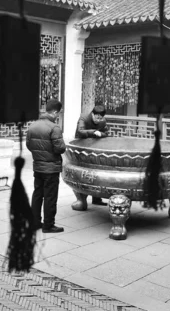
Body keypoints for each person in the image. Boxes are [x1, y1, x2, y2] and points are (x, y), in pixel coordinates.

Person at [26, 99, 67, 233]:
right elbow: (60, 148)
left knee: (38, 193)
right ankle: (48, 225)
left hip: (38, 166)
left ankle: (35, 222)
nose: (58, 116)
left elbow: (29, 145)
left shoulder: (33, 126)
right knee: (50, 196)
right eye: (58, 113)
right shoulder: (54, 128)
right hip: (51, 168)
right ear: (55, 112)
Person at [75, 104, 110, 206]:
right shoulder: (84, 117)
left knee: (97, 172)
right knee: (82, 173)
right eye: (96, 117)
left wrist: (101, 134)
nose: (98, 120)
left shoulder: (103, 121)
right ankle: (81, 200)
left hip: (95, 148)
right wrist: (94, 132)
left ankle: (96, 199)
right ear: (92, 114)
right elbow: (80, 131)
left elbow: (107, 133)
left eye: (100, 118)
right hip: (82, 146)